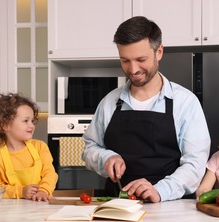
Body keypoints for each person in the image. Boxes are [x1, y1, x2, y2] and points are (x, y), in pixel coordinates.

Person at [82, 16, 211, 203]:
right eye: (125, 60)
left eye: (141, 59)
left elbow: (195, 164)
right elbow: (89, 148)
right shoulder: (109, 102)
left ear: (159, 52)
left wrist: (161, 190)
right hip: (117, 207)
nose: (133, 69)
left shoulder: (185, 102)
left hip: (171, 210)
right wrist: (106, 157)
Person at [0, 93, 58, 201]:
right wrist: (20, 191)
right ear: (5, 125)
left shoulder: (40, 147)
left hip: (41, 205)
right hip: (10, 212)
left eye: (32, 121)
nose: (31, 125)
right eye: (25, 121)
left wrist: (44, 191)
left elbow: (50, 174)